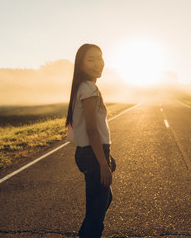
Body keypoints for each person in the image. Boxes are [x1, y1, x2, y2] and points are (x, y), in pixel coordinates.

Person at [66, 43, 116, 238]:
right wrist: (102, 163)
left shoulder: (83, 87)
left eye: (100, 57)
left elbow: (96, 131)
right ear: (80, 64)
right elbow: (92, 129)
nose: (98, 63)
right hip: (92, 155)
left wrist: (108, 155)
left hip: (90, 152)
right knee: (96, 211)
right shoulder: (89, 89)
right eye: (91, 59)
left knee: (102, 200)